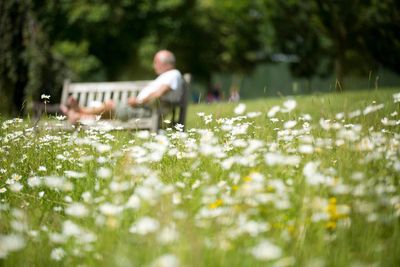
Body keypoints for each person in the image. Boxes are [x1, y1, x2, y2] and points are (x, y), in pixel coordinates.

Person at [60, 50, 183, 124]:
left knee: (111, 104)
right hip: (143, 110)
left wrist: (138, 101)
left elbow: (159, 94)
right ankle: (76, 116)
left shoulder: (173, 74)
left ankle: (79, 111)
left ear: (165, 63)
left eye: (156, 62)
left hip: (147, 113)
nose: (154, 65)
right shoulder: (168, 76)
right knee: (104, 114)